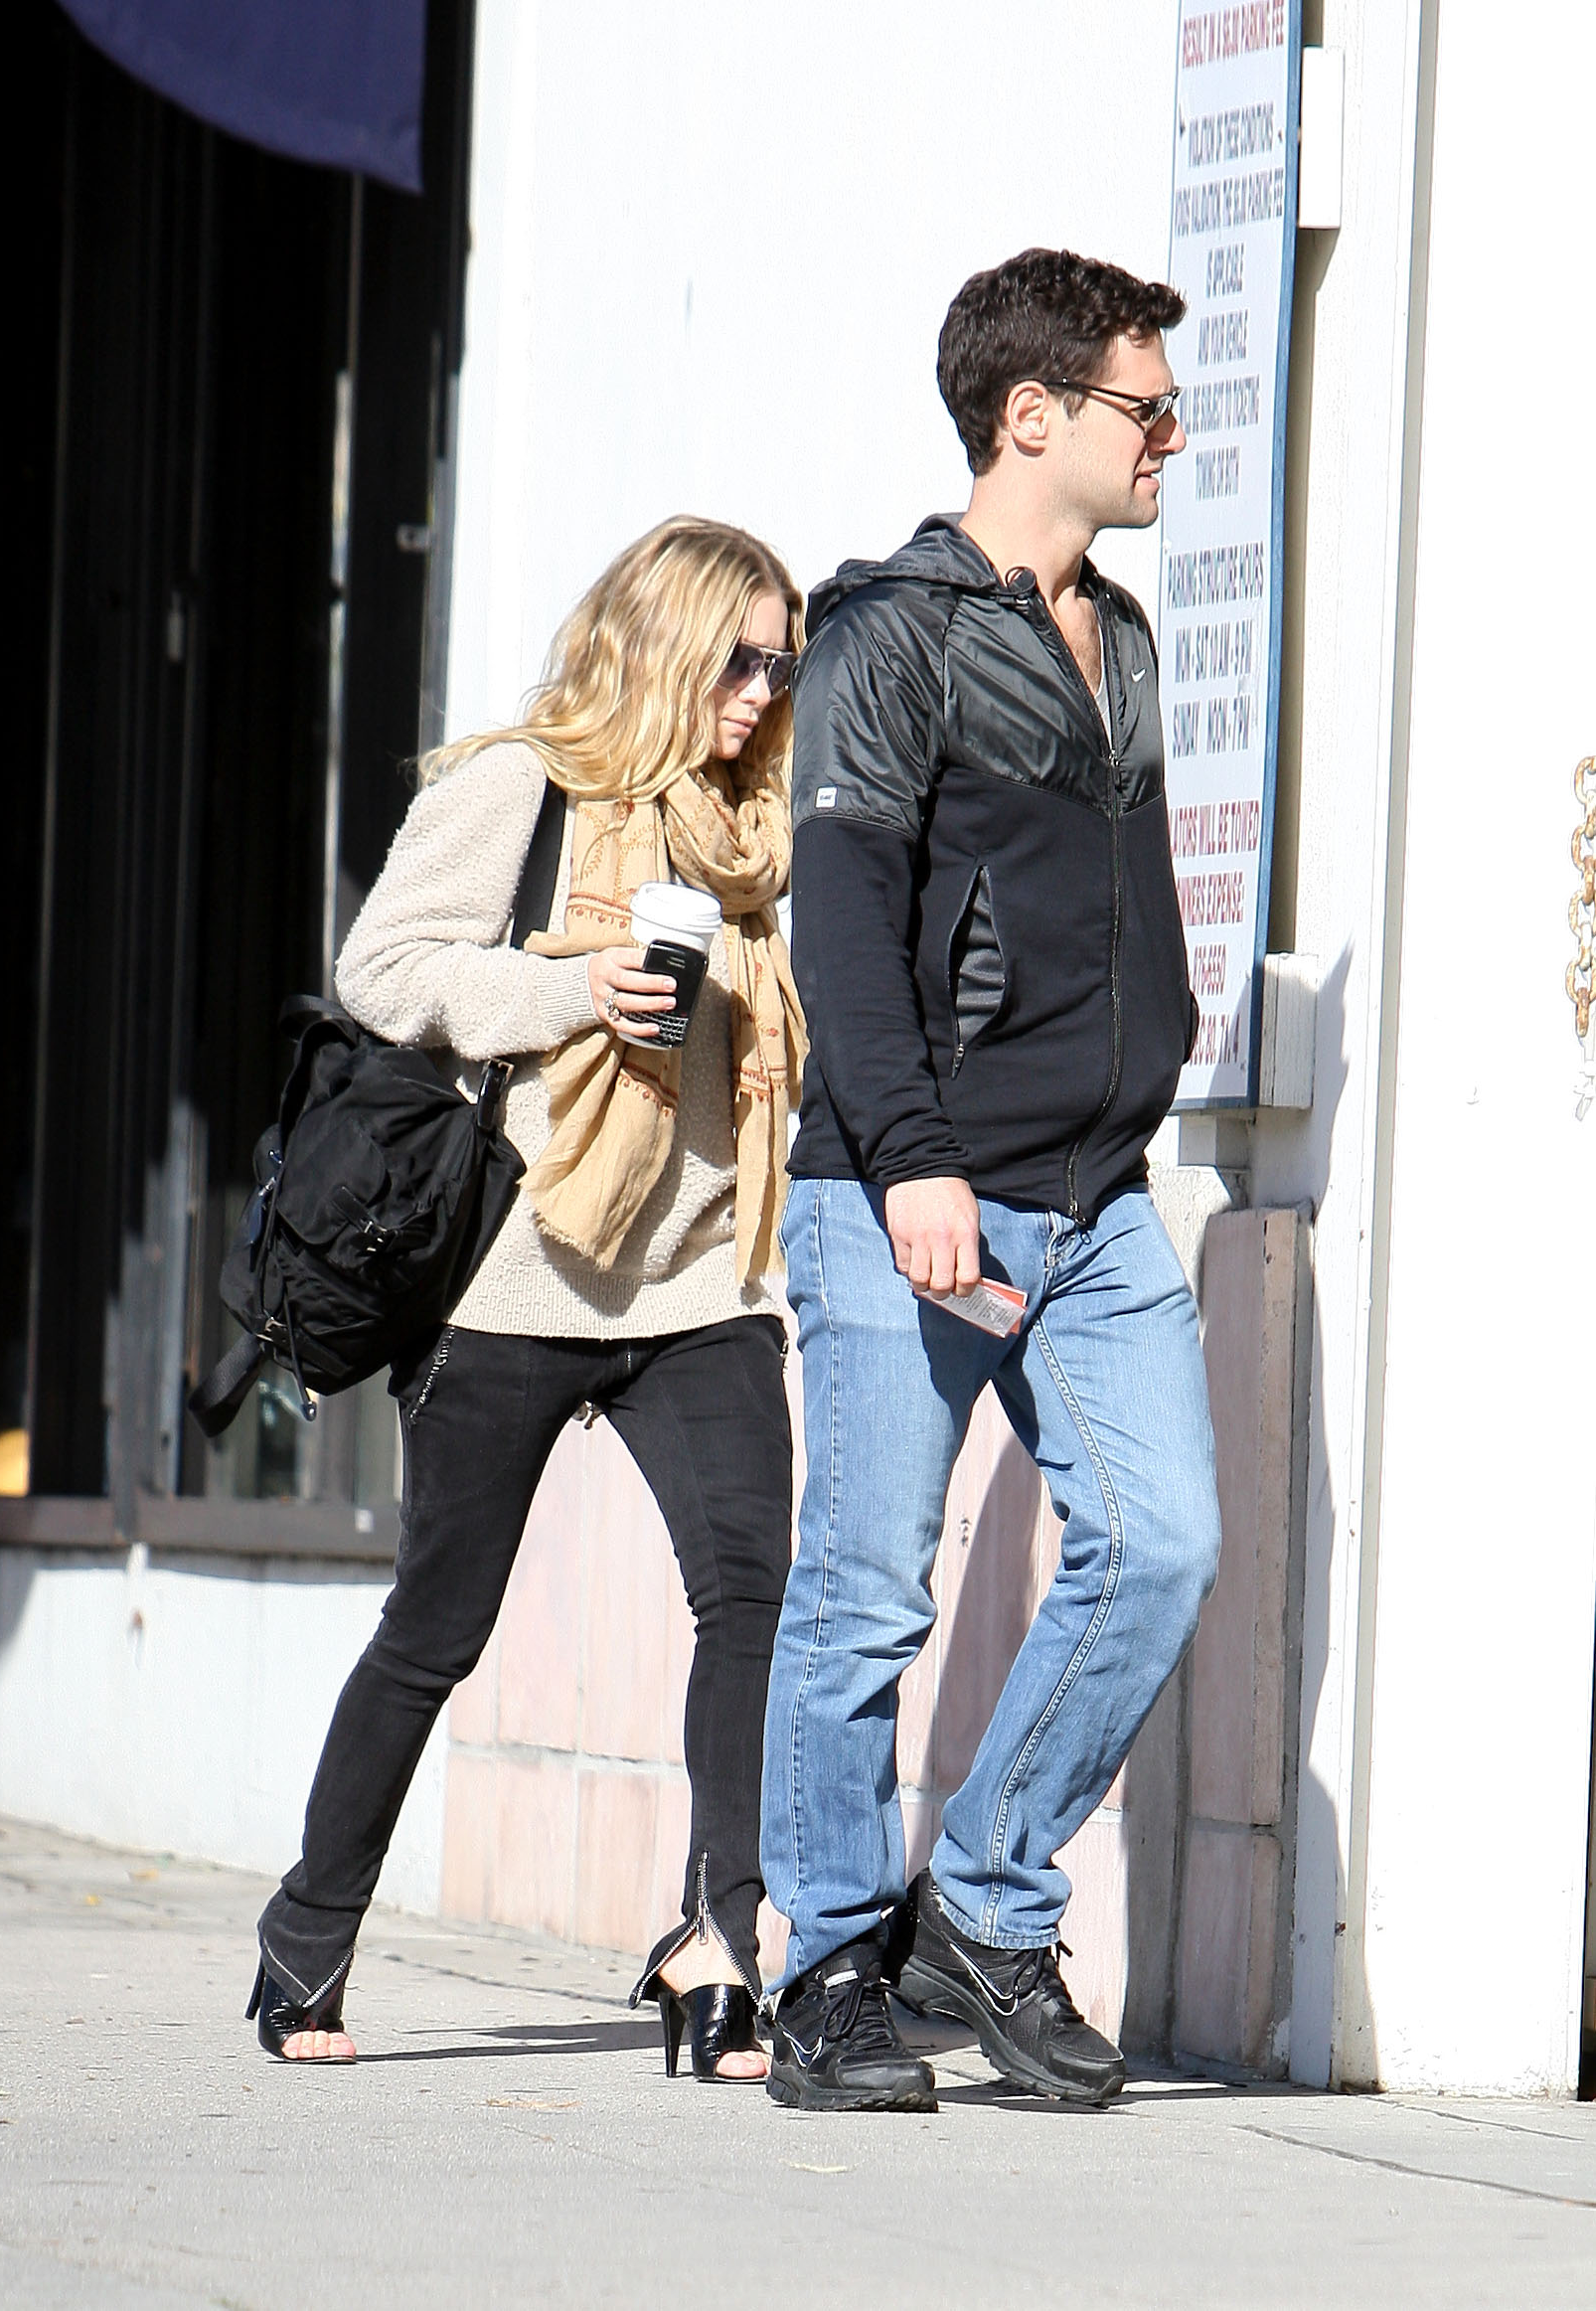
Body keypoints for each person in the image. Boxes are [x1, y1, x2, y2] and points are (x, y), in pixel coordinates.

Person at [245, 517, 806, 2082]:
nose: (761, 692)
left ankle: (720, 1939)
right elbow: (382, 968)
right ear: (662, 641)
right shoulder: (522, 785)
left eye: (781, 665)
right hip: (514, 1277)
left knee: (750, 1596)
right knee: (438, 1627)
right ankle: (306, 1935)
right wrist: (574, 988)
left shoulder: (750, 834)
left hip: (697, 1278)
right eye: (737, 658)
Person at [758, 248, 1223, 2111]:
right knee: (868, 1589)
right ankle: (825, 1969)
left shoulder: (1126, 637)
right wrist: (916, 1162)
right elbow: (843, 923)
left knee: (1162, 1542)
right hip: (911, 1193)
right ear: (1033, 415)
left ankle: (981, 1903)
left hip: (1097, 1196)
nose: (1171, 435)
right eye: (1145, 406)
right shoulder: (889, 634)